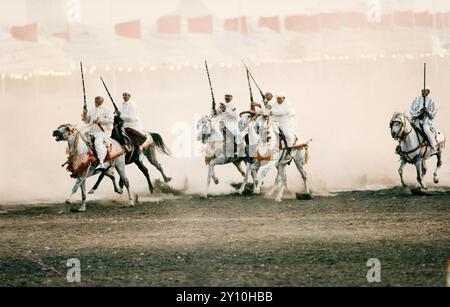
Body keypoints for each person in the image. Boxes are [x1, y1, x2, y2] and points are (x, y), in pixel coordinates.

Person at [82, 96, 114, 170]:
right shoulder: (92, 110)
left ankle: (101, 162)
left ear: (102, 101)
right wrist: (85, 113)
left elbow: (111, 120)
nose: (96, 102)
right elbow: (86, 121)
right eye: (95, 101)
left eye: (98, 101)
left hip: (102, 132)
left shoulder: (107, 110)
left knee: (97, 142)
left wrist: (100, 121)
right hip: (91, 131)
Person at [409, 88, 438, 155]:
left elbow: (433, 114)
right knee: (406, 129)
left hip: (425, 122)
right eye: (422, 90)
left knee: (426, 131)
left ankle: (434, 148)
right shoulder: (416, 99)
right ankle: (401, 147)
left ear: (428, 92)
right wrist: (419, 113)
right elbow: (411, 110)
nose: (423, 92)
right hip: (416, 120)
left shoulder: (431, 101)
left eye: (425, 90)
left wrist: (427, 112)